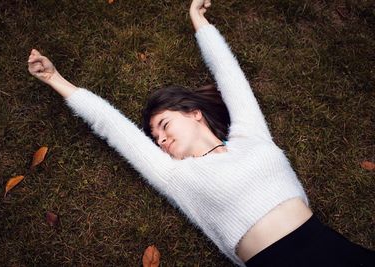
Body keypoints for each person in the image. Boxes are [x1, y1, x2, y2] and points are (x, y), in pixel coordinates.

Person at [28, 0, 375, 266]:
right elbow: (114, 128)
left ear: (195, 114)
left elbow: (231, 77)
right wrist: (55, 79)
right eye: (157, 140)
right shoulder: (178, 176)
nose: (160, 140)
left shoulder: (251, 136)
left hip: (339, 250)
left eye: (164, 125)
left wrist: (199, 21)